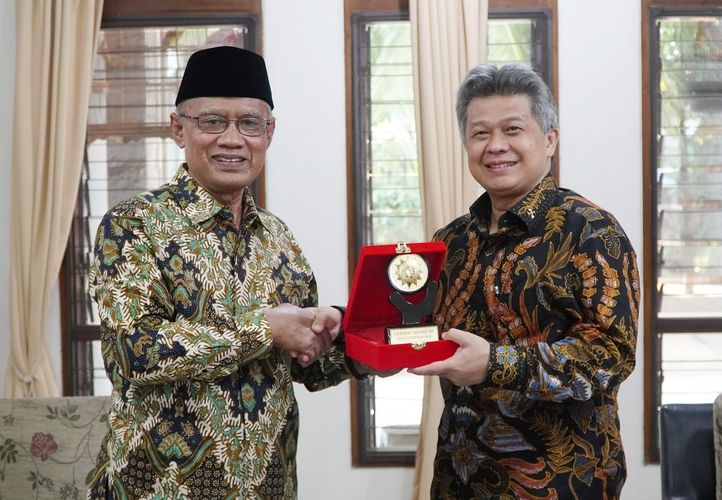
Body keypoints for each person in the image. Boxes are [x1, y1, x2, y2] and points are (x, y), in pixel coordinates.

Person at [86, 46, 367, 499]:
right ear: (179, 128)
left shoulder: (280, 240)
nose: (233, 139)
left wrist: (364, 353)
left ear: (269, 133)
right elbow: (132, 355)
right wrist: (265, 330)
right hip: (156, 489)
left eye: (249, 123)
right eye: (213, 121)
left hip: (266, 489)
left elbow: (304, 367)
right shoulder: (133, 225)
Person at [410, 63, 640, 498]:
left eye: (512, 129)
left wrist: (495, 364)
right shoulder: (450, 241)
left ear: (549, 138)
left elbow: (610, 357)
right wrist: (343, 327)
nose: (496, 146)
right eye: (480, 134)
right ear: (466, 144)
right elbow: (416, 324)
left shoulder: (591, 231)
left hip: (562, 485)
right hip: (458, 482)